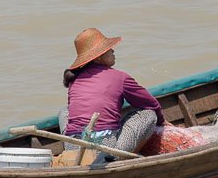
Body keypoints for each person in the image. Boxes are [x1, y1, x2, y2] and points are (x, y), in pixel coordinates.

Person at [58, 27, 165, 157]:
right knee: (149, 115)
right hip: (105, 151)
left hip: (72, 147)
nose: (113, 51)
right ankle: (125, 158)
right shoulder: (120, 77)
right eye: (108, 49)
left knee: (64, 111)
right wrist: (162, 122)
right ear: (98, 57)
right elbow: (151, 104)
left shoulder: (74, 79)